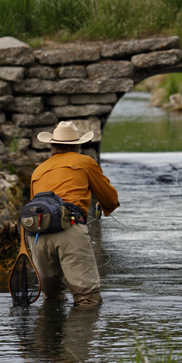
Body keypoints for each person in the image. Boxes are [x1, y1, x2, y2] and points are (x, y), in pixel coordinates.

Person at [27, 121, 119, 306]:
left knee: (52, 300)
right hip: (69, 227)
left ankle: (49, 334)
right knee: (87, 299)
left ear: (52, 145)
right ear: (77, 145)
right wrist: (108, 207)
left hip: (37, 235)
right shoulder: (85, 162)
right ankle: (78, 333)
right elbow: (109, 197)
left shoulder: (39, 170)